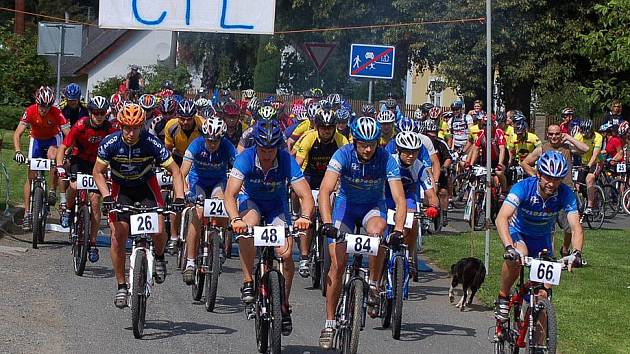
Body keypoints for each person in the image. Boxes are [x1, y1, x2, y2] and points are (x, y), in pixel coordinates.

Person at [317, 116, 407, 349]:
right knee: (337, 265)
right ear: (354, 141)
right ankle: (329, 322)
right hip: (345, 208)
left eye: (372, 144)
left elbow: (399, 197)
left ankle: (374, 284)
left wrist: (398, 229)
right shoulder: (343, 155)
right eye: (363, 144)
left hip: (372, 207)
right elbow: (326, 190)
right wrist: (327, 222)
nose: (368, 149)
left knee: (379, 233)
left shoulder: (386, 158)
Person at [225, 119, 314, 336]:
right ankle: (247, 280)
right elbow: (230, 194)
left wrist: (304, 217)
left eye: (271, 149)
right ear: (256, 145)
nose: (267, 154)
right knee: (247, 228)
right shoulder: (245, 158)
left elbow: (305, 195)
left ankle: (284, 303)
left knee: (285, 253)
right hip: (252, 201)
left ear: (277, 147)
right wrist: (235, 219)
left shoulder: (285, 159)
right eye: (263, 149)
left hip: (276, 205)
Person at [93, 103, 185, 308]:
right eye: (126, 127)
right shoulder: (110, 143)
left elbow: (176, 171)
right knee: (118, 235)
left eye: (135, 128)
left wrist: (179, 198)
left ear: (142, 126)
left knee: (159, 227)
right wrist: (106, 196)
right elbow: (97, 172)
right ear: (120, 125)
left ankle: (159, 257)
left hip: (146, 187)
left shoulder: (151, 142)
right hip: (121, 189)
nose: (131, 133)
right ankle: (121, 286)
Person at [494, 151, 583, 349]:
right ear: (539, 174)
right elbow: (501, 218)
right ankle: (503, 296)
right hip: (519, 234)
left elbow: (576, 226)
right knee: (519, 255)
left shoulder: (565, 194)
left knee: (543, 295)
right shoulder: (523, 188)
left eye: (557, 179)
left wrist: (576, 253)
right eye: (548, 177)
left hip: (542, 240)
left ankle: (539, 346)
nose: (552, 183)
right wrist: (509, 246)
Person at [55, 96, 116, 261]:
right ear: (90, 113)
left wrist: (113, 170)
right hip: (80, 160)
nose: (99, 116)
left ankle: (93, 243)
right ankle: (68, 210)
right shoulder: (81, 125)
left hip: (97, 165)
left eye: (102, 113)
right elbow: (63, 147)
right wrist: (60, 166)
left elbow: (115, 153)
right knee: (74, 187)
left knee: (95, 202)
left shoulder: (109, 129)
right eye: (96, 113)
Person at [180, 114, 236, 284]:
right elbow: (182, 173)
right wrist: (184, 191)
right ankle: (190, 262)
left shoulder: (227, 147)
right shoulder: (195, 145)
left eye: (216, 141)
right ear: (204, 137)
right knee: (198, 213)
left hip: (218, 182)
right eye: (209, 140)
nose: (212, 144)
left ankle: (218, 241)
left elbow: (239, 170)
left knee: (222, 204)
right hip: (198, 182)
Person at [294, 109, 349, 277]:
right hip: (310, 177)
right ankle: (304, 256)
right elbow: (298, 164)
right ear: (317, 127)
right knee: (308, 215)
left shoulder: (341, 140)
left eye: (330, 127)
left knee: (330, 209)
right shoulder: (309, 137)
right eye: (323, 127)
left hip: (331, 179)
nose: (327, 131)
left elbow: (347, 162)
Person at [520, 124, 588, 259]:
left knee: (570, 227)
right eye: (551, 134)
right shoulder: (542, 148)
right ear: (547, 135)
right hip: (547, 193)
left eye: (557, 134)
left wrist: (569, 137)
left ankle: (565, 248)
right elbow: (525, 163)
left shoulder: (567, 147)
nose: (554, 137)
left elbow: (585, 149)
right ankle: (548, 254)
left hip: (565, 191)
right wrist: (536, 177)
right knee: (548, 228)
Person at [13, 86, 70, 230]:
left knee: (54, 158)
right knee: (31, 174)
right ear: (37, 103)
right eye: (42, 106)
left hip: (52, 139)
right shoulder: (30, 111)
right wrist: (18, 151)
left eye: (48, 106)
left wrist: (67, 150)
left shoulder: (56, 112)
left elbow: (68, 134)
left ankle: (52, 190)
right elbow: (17, 133)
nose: (45, 109)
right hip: (37, 139)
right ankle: (27, 214)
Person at [385, 131, 440, 276]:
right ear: (399, 150)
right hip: (388, 196)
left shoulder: (420, 167)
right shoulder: (389, 161)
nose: (411, 156)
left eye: (414, 152)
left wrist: (433, 206)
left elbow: (431, 194)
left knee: (413, 220)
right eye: (407, 152)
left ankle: (409, 254)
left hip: (408, 196)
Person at [424, 120, 453, 226]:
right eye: (429, 133)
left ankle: (444, 214)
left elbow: (448, 158)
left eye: (433, 133)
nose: (432, 136)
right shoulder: (423, 144)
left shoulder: (441, 144)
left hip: (439, 171)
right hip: (427, 172)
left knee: (443, 192)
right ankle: (426, 213)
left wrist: (443, 167)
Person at [164, 99, 204, 166]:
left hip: (198, 158)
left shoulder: (203, 125)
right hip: (179, 157)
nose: (185, 122)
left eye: (189, 119)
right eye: (182, 119)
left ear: (194, 116)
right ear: (177, 116)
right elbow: (168, 149)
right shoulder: (170, 126)